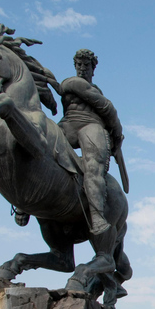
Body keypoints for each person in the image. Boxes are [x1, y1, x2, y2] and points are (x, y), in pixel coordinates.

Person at [13, 49, 126, 236]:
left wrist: (117, 136)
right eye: (79, 65)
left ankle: (97, 216)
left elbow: (108, 110)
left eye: (86, 65)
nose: (82, 68)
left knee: (93, 168)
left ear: (93, 68)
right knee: (35, 145)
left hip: (91, 125)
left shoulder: (90, 89)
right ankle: (22, 203)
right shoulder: (68, 83)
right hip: (68, 125)